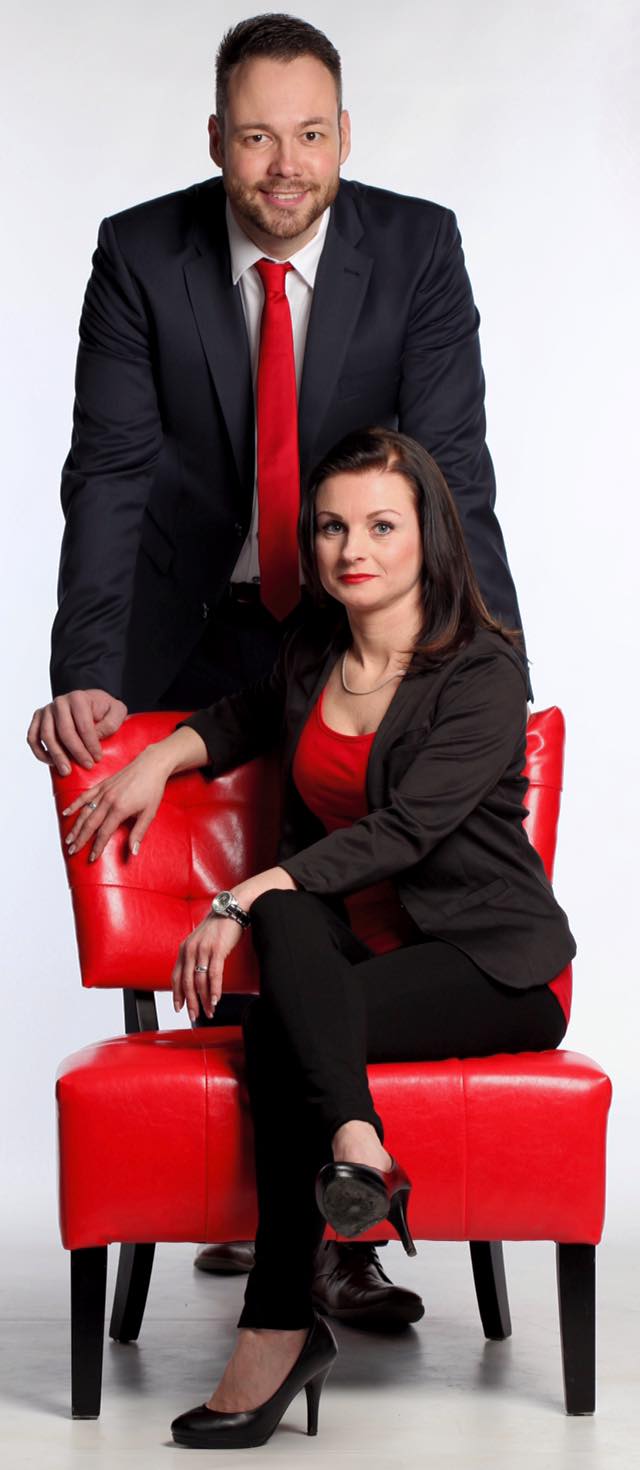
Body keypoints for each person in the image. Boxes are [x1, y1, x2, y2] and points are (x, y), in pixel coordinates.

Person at [29, 10, 528, 1316]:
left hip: (359, 626)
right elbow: (109, 473)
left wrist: (490, 664)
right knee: (220, 922)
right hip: (196, 625)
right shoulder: (142, 253)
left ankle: (336, 1241)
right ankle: (256, 1194)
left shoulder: (414, 246)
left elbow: (453, 470)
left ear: (345, 136)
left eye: (310, 135)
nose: (285, 165)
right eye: (257, 137)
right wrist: (86, 664)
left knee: (356, 904)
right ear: (216, 140)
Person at [61, 429, 575, 1450]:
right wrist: (161, 756)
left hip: (489, 965)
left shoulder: (482, 672)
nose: (353, 550)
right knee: (291, 923)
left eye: (381, 526)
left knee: (279, 1012)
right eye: (333, 528)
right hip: (351, 958)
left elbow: (409, 829)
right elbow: (246, 714)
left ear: (427, 534)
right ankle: (355, 1145)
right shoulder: (311, 649)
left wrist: (241, 892)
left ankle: (277, 1328)